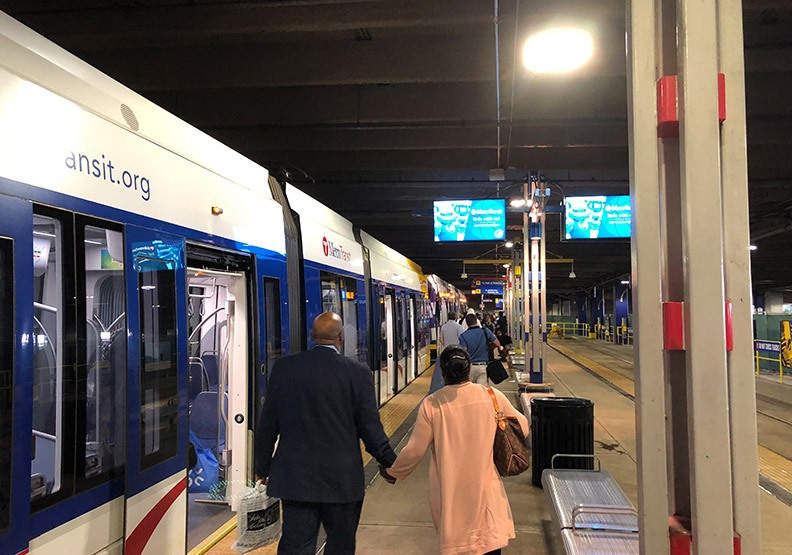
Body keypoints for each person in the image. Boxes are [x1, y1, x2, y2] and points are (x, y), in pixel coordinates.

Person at [256, 312, 397, 555]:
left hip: (294, 480)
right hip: (342, 482)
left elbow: (268, 423)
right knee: (340, 546)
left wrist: (262, 468)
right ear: (341, 337)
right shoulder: (357, 373)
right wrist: (390, 463)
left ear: (312, 336)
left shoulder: (284, 368)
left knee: (296, 546)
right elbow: (370, 428)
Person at [379, 347, 529, 555]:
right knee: (489, 544)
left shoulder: (432, 404)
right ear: (469, 371)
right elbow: (522, 427)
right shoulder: (492, 396)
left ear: (442, 372)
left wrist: (394, 472)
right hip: (488, 502)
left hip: (452, 503)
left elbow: (415, 450)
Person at [459, 313, 504, 385]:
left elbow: (463, 352)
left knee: (469, 390)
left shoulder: (463, 336)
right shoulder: (485, 331)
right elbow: (497, 343)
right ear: (476, 321)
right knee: (482, 391)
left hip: (470, 368)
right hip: (483, 366)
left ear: (467, 323)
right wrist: (489, 347)